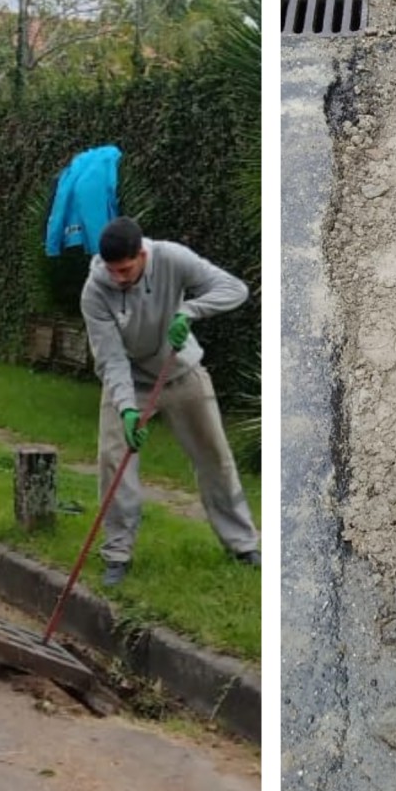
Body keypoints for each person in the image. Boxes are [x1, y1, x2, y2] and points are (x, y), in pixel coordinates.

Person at [80, 217, 261, 586]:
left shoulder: (172, 258)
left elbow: (235, 289)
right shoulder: (95, 291)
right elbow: (110, 358)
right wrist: (127, 409)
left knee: (215, 457)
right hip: (130, 381)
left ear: (142, 255)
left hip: (181, 371)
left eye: (125, 269)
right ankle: (117, 554)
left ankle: (243, 544)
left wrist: (189, 311)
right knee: (114, 462)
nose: (118, 278)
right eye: (112, 270)